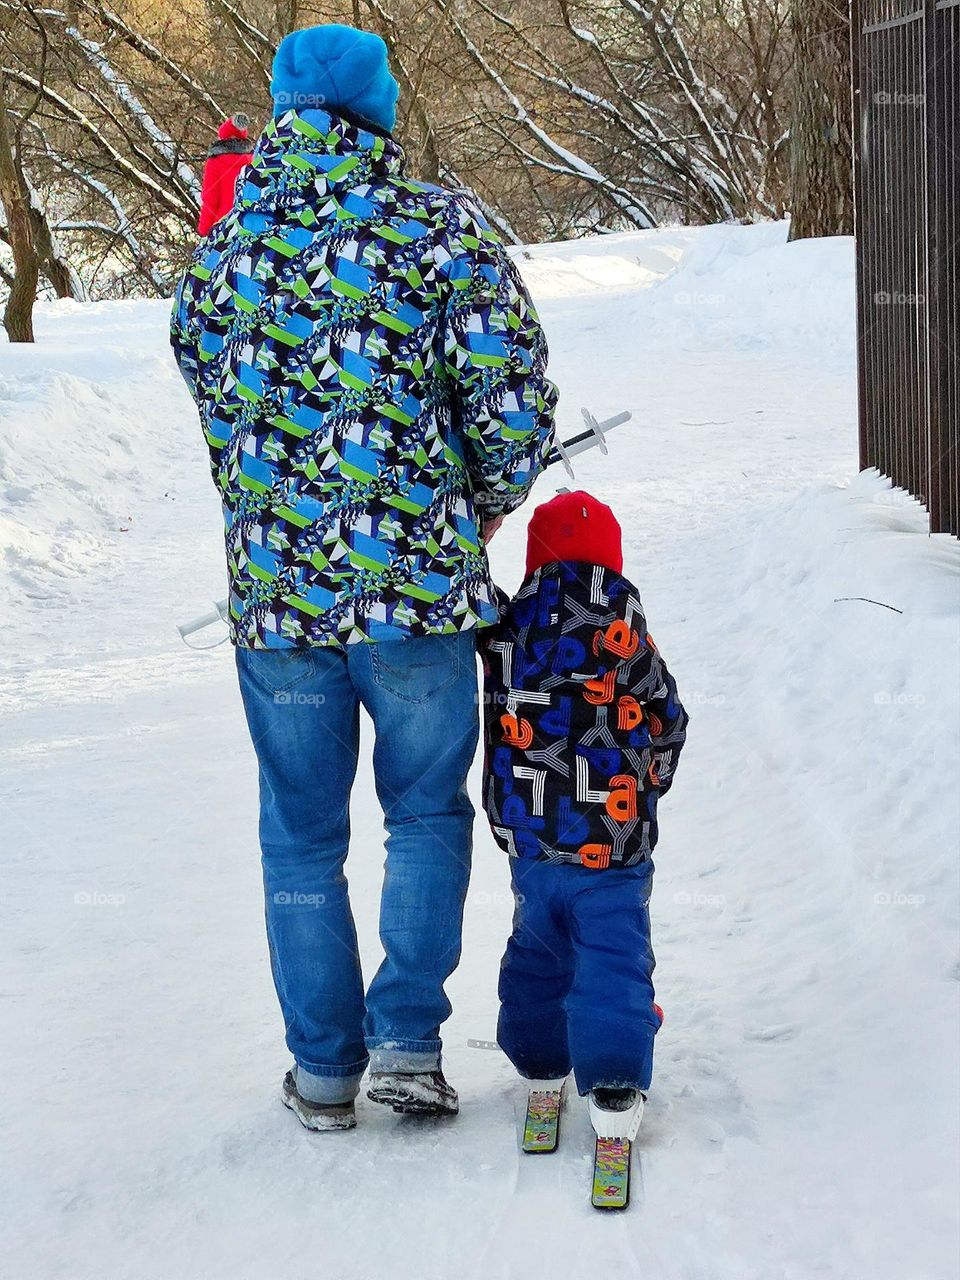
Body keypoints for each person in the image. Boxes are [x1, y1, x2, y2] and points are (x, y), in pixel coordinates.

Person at [170, 24, 557, 1130]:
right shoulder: (439, 229)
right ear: (381, 108)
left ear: (285, 110)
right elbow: (511, 401)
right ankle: (406, 1044)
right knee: (424, 809)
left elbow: (214, 399)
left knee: (299, 829)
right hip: (420, 597)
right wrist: (470, 504)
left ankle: (326, 1068)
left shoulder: (225, 250)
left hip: (277, 603)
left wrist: (261, 512)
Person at [481, 491, 687, 1139]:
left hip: (532, 833)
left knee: (538, 942)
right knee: (613, 951)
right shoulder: (629, 634)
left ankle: (541, 1062)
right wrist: (650, 784)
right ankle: (616, 1080)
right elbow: (668, 719)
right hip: (615, 840)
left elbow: (460, 597)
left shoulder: (506, 627)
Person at [196, 115, 253, 237]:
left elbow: (210, 199)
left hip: (223, 227)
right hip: (250, 225)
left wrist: (204, 230)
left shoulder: (215, 162)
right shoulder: (254, 160)